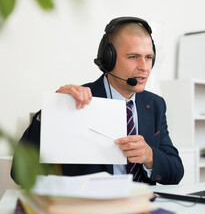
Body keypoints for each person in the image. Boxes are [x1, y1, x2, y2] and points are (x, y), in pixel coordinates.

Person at [11, 17, 184, 185]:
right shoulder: (75, 101)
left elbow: (176, 172)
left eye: (148, 57)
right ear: (108, 59)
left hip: (142, 206)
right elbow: (21, 174)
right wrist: (52, 112)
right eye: (133, 57)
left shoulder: (155, 104)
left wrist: (149, 156)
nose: (144, 67)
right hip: (92, 209)